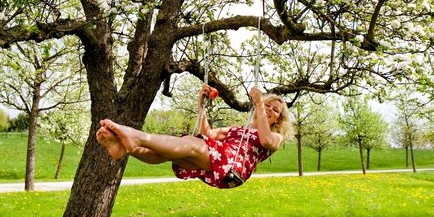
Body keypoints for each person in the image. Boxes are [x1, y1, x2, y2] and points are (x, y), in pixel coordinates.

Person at [95, 85, 293, 188]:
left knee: (189, 143)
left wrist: (259, 104)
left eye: (275, 110)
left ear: (278, 119)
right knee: (171, 151)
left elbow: (265, 140)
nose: (269, 109)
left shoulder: (276, 137)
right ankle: (126, 148)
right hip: (216, 160)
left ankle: (135, 137)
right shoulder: (237, 130)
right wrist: (201, 105)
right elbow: (208, 134)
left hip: (232, 167)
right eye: (267, 105)